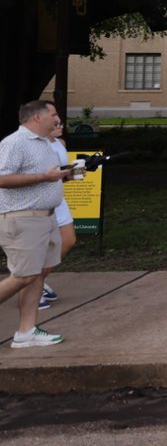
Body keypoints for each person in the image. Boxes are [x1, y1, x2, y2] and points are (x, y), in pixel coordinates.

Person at [0, 100, 71, 347]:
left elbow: (46, 176)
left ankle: (26, 332)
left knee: (37, 275)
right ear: (37, 118)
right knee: (23, 275)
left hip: (46, 217)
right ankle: (26, 331)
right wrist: (44, 177)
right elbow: (2, 178)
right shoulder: (14, 143)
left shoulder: (45, 144)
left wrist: (64, 175)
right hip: (22, 219)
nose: (57, 118)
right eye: (53, 114)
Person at [40, 112, 77, 311]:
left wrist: (72, 174)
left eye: (61, 123)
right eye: (56, 123)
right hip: (39, 200)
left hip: (58, 197)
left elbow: (62, 174)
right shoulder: (36, 145)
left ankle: (39, 279)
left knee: (68, 240)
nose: (60, 126)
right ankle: (32, 287)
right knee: (40, 244)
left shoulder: (60, 143)